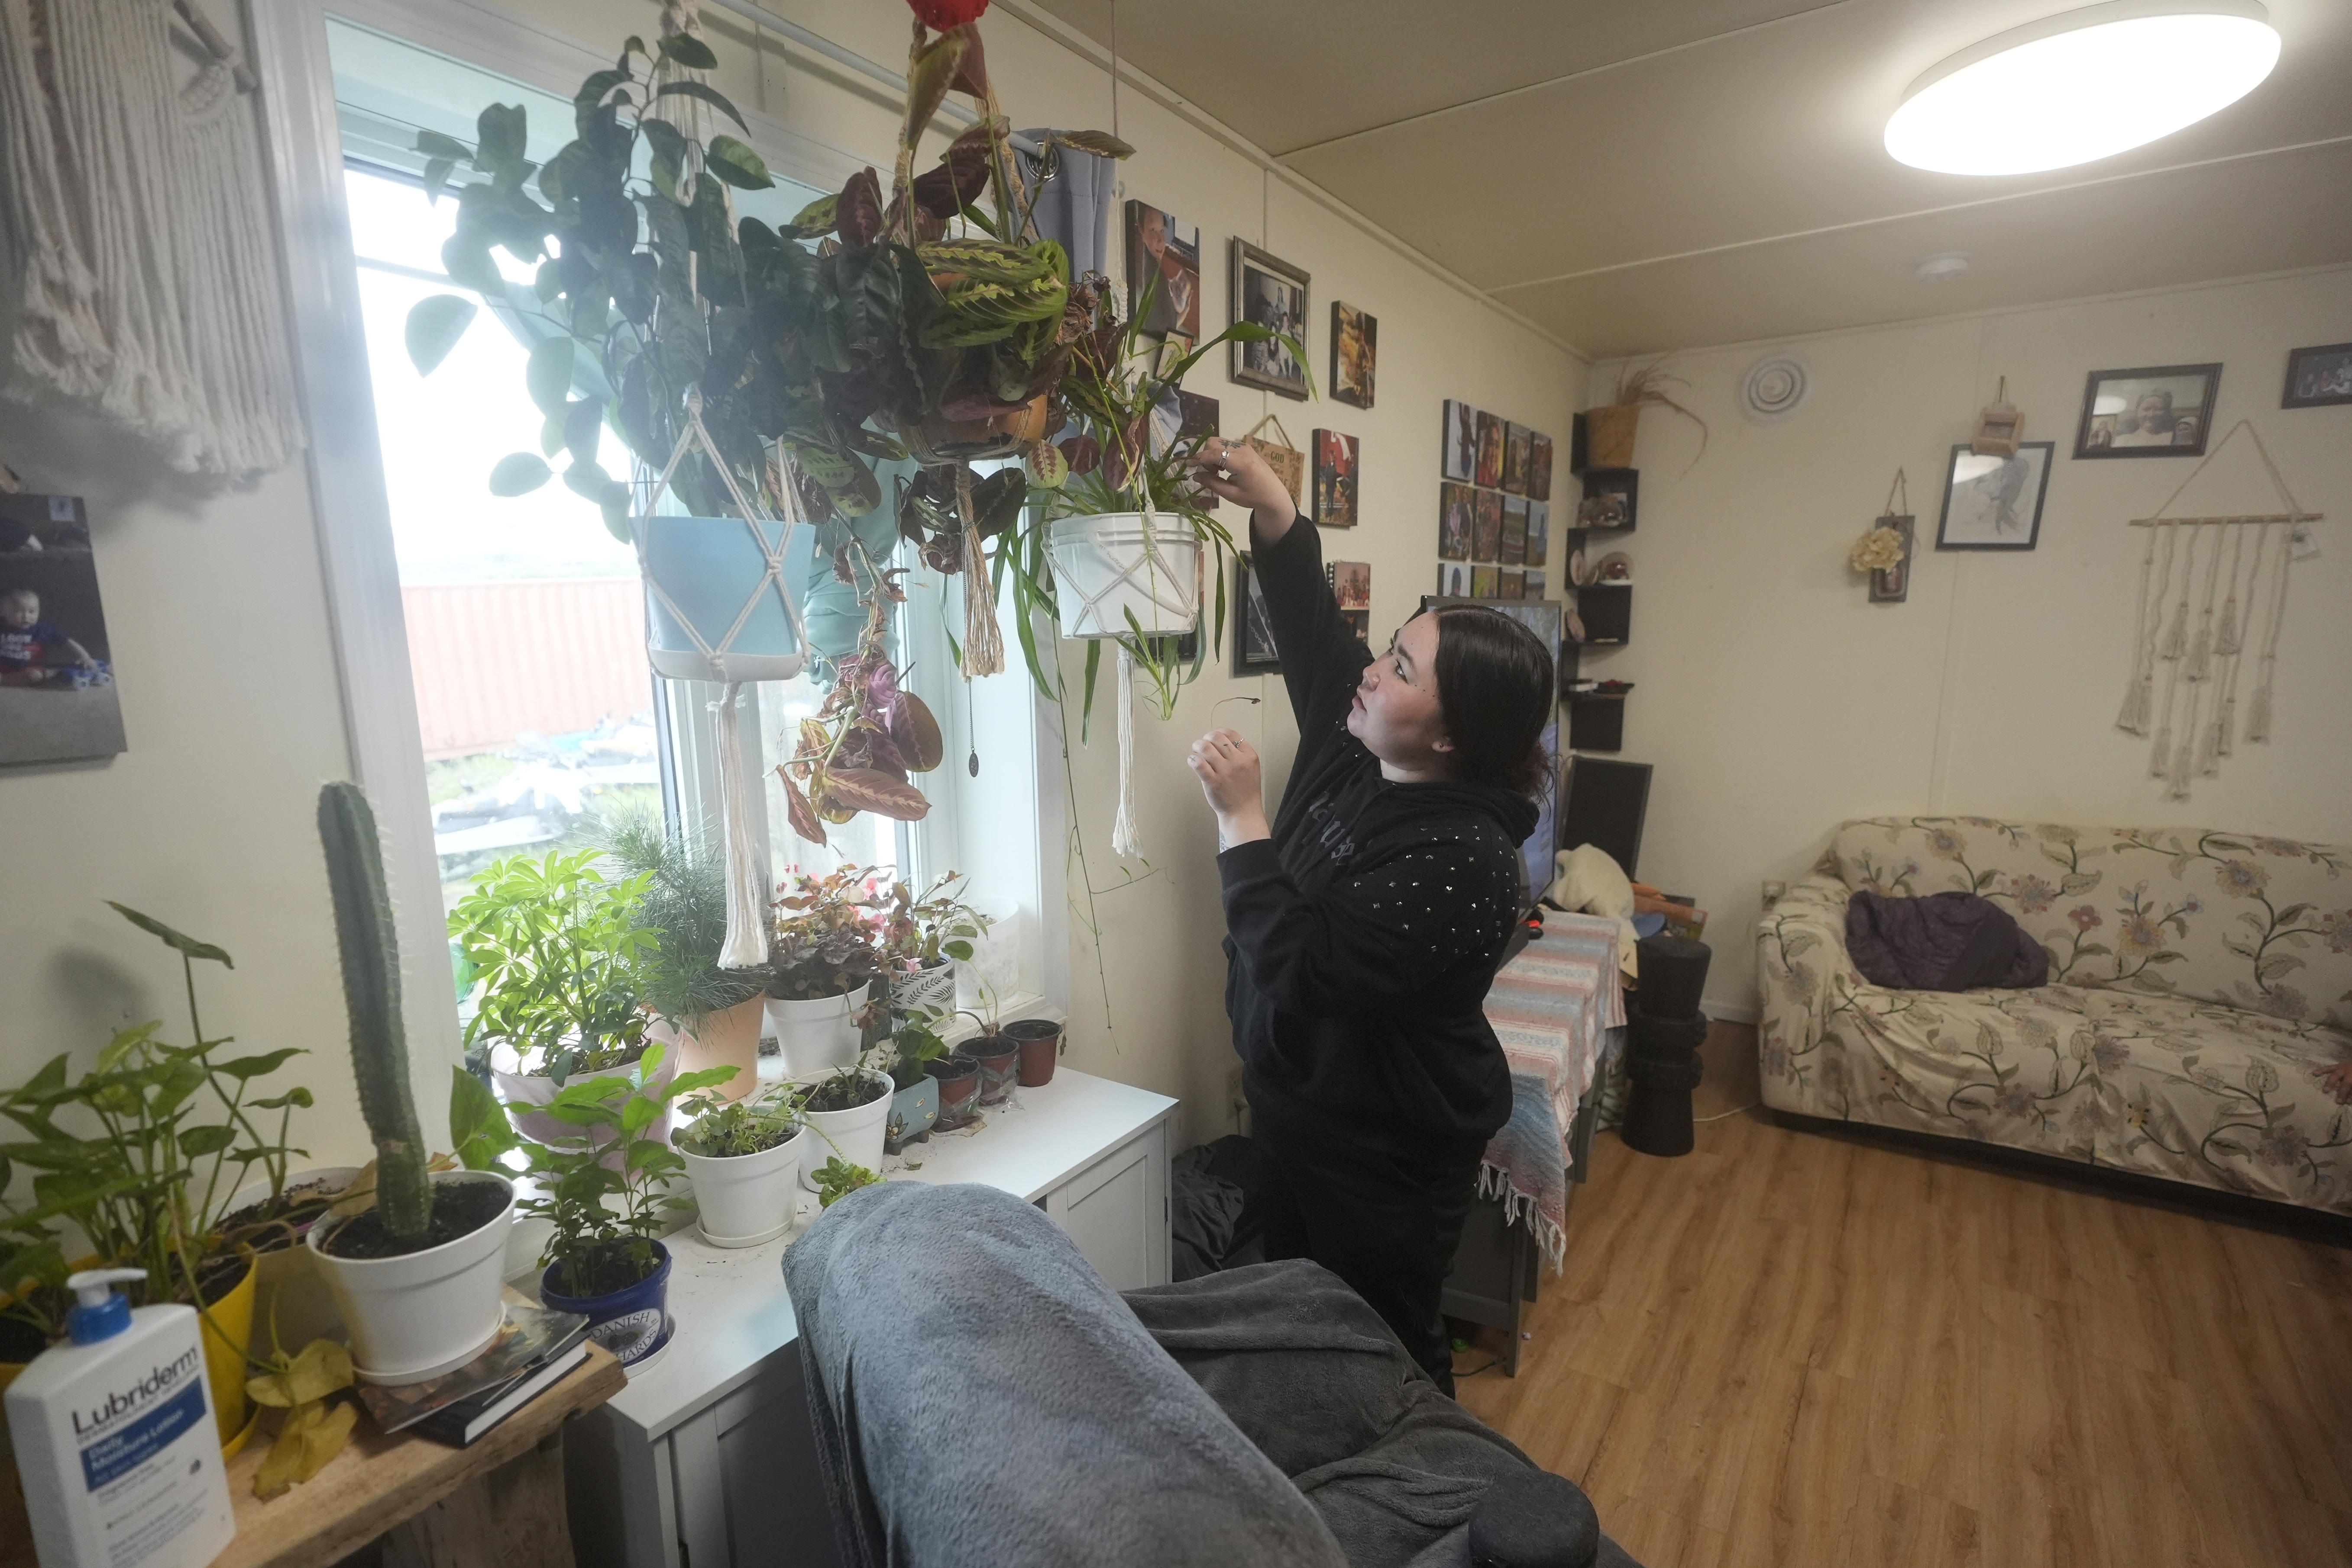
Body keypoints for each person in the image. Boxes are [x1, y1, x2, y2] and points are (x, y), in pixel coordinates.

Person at [1183, 436, 1555, 1394]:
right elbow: (1313, 630)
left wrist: (1242, 820)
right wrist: (1272, 505)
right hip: (1299, 1109)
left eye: (1400, 666)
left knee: (1380, 1345)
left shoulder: (1467, 858)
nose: (1372, 672)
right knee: (1280, 1310)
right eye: (1390, 647)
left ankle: (1417, 1496)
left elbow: (1306, 971)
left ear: (1450, 734)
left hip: (1385, 1149)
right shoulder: (1363, 745)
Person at [0, 586, 96, 685]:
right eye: (18, 612)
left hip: (29, 668)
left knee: (35, 676)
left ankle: (3, 680)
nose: (26, 616)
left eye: (32, 612)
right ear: (2, 612)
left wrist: (85, 657)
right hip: (2, 666)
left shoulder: (43, 630)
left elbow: (67, 641)